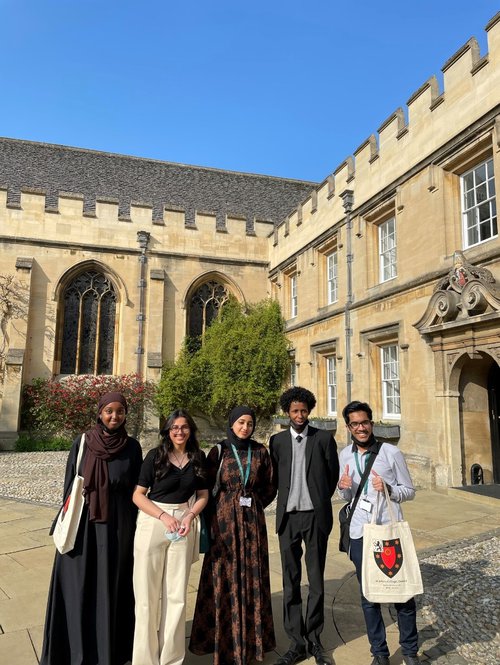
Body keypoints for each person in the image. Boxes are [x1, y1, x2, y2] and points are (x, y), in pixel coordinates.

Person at [40, 391, 143, 665]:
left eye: (120, 411)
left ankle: (110, 651)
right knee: (77, 584)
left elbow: (137, 490)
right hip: (83, 526)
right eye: (109, 410)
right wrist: (61, 522)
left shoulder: (132, 447)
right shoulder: (83, 441)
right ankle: (73, 650)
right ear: (99, 412)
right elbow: (68, 487)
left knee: (112, 585)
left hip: (117, 526)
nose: (114, 416)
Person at [189, 405, 277, 665]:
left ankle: (251, 643)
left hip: (252, 525)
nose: (245, 427)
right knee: (223, 577)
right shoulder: (219, 450)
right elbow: (203, 486)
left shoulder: (261, 451)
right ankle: (224, 641)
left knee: (253, 577)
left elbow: (270, 485)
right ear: (231, 423)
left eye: (249, 423)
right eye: (240, 422)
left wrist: (253, 503)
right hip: (224, 524)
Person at [338, 400, 419, 665]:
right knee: (369, 597)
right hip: (361, 533)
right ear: (348, 427)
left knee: (402, 595)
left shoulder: (390, 453)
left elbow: (408, 491)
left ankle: (409, 651)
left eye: (365, 422)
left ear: (371, 423)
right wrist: (344, 487)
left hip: (387, 532)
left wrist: (388, 487)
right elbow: (347, 496)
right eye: (355, 424)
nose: (360, 428)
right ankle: (380, 654)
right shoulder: (345, 455)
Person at [132, 409, 209, 665]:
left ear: (191, 430)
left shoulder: (198, 457)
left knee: (176, 597)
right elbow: (138, 495)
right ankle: (144, 660)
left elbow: (203, 495)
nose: (179, 431)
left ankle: (171, 660)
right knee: (146, 596)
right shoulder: (155, 456)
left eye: (184, 427)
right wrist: (163, 517)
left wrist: (189, 516)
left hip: (183, 524)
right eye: (174, 427)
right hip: (154, 520)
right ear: (167, 431)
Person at [269, 387, 339, 665]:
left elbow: (331, 476)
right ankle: (296, 642)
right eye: (295, 411)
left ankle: (315, 638)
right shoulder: (277, 441)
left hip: (314, 517)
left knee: (316, 580)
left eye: (304, 410)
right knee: (291, 581)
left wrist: (319, 498)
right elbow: (274, 478)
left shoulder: (323, 439)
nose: (299, 415)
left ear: (309, 410)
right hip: (287, 518)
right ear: (287, 412)